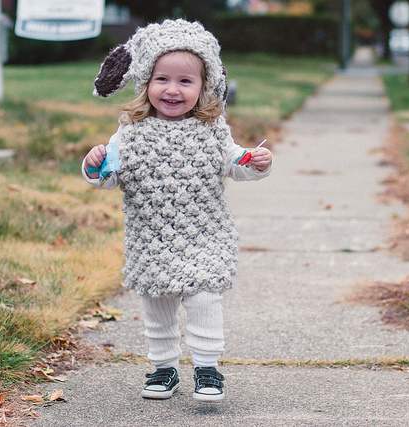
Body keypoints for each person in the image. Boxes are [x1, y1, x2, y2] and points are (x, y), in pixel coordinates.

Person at [81, 19, 273, 402]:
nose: (172, 90)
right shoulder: (131, 131)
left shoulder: (212, 128)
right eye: (162, 79)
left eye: (185, 82)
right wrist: (94, 164)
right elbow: (108, 175)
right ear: (146, 83)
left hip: (204, 235)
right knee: (158, 306)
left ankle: (207, 369)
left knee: (204, 300)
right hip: (151, 239)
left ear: (204, 87)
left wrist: (255, 162)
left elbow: (233, 162)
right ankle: (163, 368)